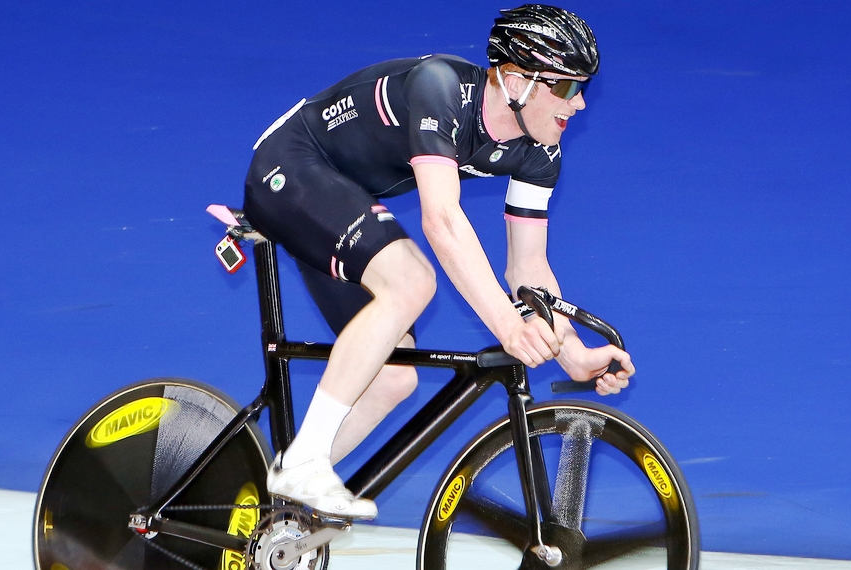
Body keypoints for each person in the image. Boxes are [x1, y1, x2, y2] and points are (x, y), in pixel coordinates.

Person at [243, 4, 634, 520]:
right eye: (565, 87)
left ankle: (265, 505)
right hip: (291, 164)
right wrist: (505, 324)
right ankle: (305, 463)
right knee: (411, 281)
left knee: (392, 377)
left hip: (342, 199)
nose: (579, 104)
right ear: (515, 81)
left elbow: (528, 269)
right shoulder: (440, 87)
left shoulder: (540, 153)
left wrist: (571, 352)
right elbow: (442, 222)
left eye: (582, 87)